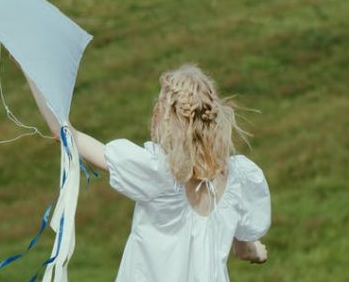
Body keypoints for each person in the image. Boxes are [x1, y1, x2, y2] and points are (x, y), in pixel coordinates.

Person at [27, 64, 270, 281]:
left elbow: (65, 133)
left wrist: (31, 68)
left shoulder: (158, 171)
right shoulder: (237, 179)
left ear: (165, 117)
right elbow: (243, 248)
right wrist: (258, 252)